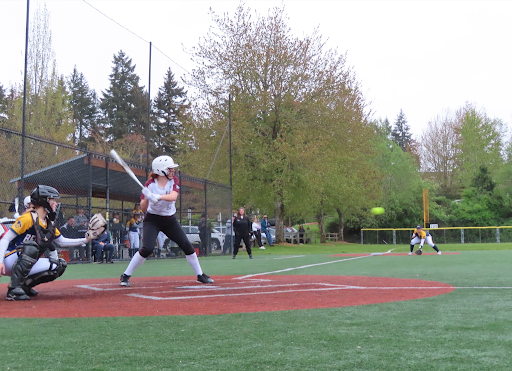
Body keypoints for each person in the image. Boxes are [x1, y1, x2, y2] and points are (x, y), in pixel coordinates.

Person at [119, 155, 214, 287]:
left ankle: (200, 275)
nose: (172, 171)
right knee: (147, 248)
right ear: (160, 171)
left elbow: (173, 196)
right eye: (169, 169)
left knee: (187, 245)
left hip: (170, 220)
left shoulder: (173, 180)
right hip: (153, 220)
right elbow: (144, 208)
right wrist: (147, 197)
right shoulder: (149, 184)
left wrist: (158, 196)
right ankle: (125, 275)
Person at [0, 185, 99, 300]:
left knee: (59, 265)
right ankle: (14, 289)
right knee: (31, 248)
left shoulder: (48, 223)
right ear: (44, 201)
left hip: (24, 260)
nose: (56, 204)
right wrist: (0, 261)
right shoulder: (28, 218)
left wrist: (86, 239)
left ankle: (24, 286)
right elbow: (5, 238)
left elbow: (62, 241)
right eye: (53, 200)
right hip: (8, 259)